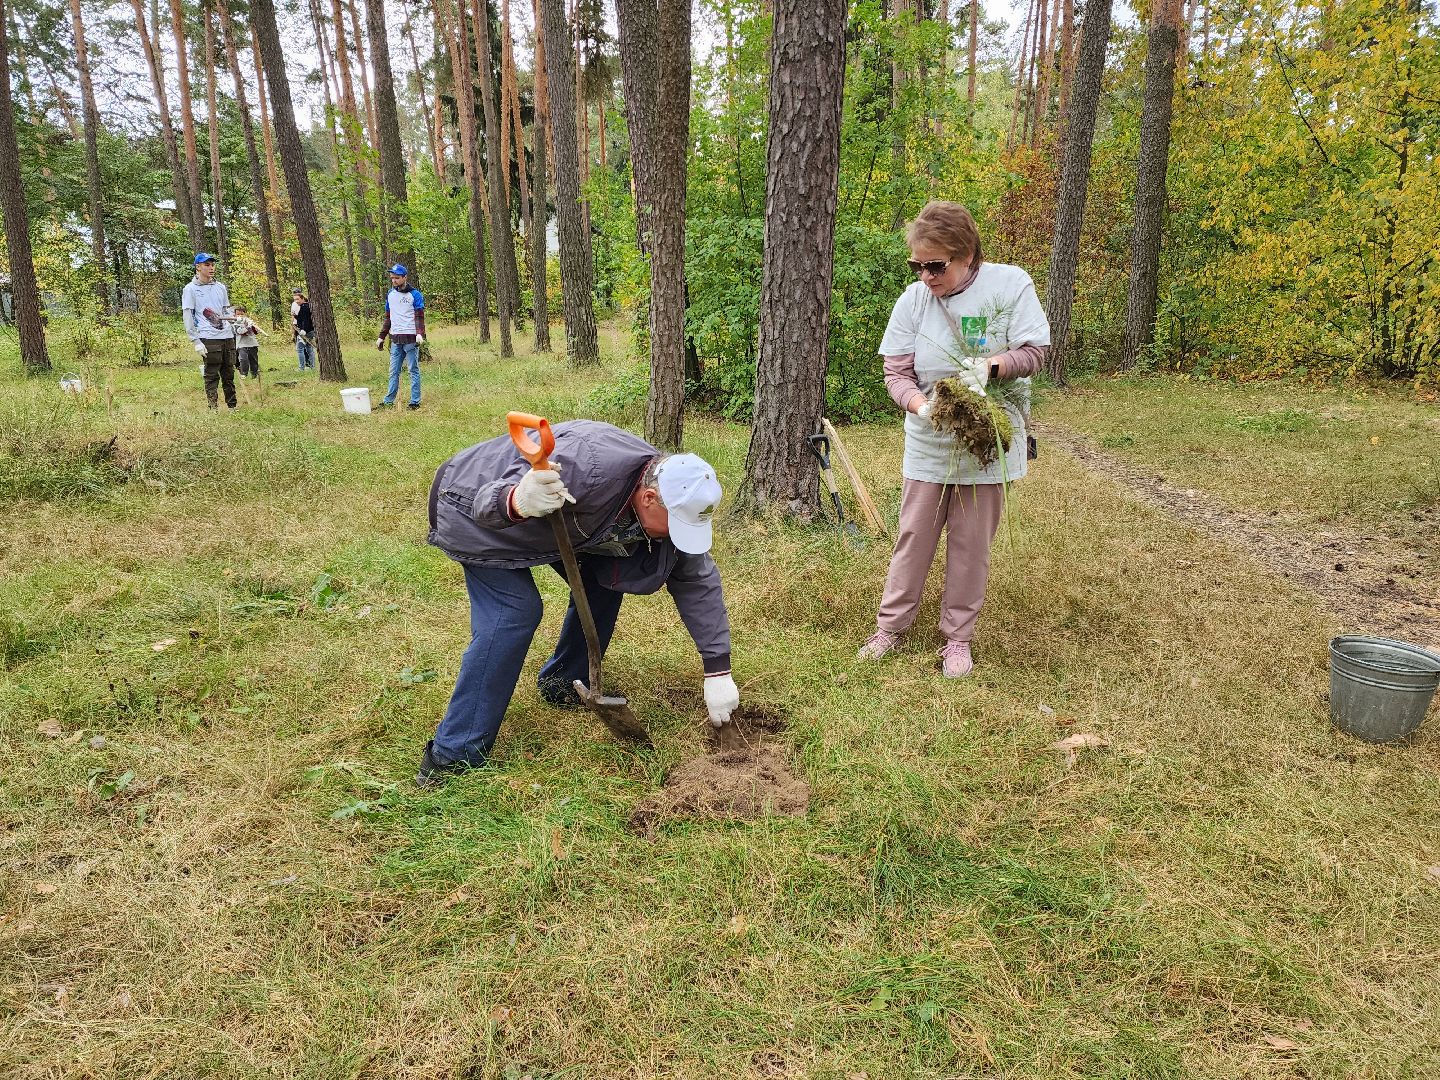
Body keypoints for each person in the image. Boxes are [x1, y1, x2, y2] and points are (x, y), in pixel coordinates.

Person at [420, 420, 738, 785]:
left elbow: (697, 579)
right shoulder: (584, 465)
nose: (677, 535)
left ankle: (563, 681)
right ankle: (452, 756)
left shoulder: (670, 495)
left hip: (569, 526)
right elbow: (483, 503)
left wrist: (718, 670)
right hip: (473, 511)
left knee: (611, 579)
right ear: (649, 498)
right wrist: (517, 501)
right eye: (677, 524)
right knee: (514, 612)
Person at [858, 200, 1050, 678]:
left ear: (967, 255)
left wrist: (992, 367)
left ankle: (957, 639)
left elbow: (1036, 351)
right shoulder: (913, 300)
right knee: (914, 538)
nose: (926, 275)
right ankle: (890, 628)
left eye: (936, 265)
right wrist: (924, 408)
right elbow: (896, 372)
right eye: (917, 265)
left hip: (988, 443)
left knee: (970, 545)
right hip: (930, 442)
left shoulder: (1009, 286)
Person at [181, 253, 239, 410]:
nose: (211, 268)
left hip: (227, 336)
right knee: (212, 374)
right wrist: (196, 341)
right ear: (198, 267)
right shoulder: (190, 289)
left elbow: (225, 311)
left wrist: (237, 319)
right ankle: (213, 407)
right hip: (208, 337)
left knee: (229, 374)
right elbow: (188, 315)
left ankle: (232, 406)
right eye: (207, 265)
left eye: (212, 264)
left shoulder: (220, 287)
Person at [374, 263, 425, 410]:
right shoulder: (390, 295)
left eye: (397, 278)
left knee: (412, 370)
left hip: (410, 338)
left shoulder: (415, 295)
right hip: (395, 339)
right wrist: (381, 336)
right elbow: (388, 317)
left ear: (404, 277)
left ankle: (414, 401)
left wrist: (420, 333)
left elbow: (419, 316)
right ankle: (388, 400)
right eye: (392, 278)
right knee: (393, 371)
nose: (394, 281)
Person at [233, 306, 265, 378]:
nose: (240, 316)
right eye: (238, 314)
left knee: (253, 360)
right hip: (241, 344)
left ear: (245, 314)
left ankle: (254, 374)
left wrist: (254, 327)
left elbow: (255, 332)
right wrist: (247, 327)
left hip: (252, 343)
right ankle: (243, 374)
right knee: (243, 359)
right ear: (234, 315)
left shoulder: (249, 321)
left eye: (242, 314)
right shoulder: (235, 324)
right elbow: (240, 332)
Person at [292, 288, 317, 371]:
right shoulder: (304, 306)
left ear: (302, 298)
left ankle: (301, 368)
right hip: (309, 330)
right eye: (295, 299)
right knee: (309, 348)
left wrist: (304, 330)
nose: (296, 301)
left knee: (299, 349)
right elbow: (301, 318)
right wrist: (295, 316)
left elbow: (306, 320)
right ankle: (312, 366)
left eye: (297, 299)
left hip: (306, 331)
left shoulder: (305, 307)